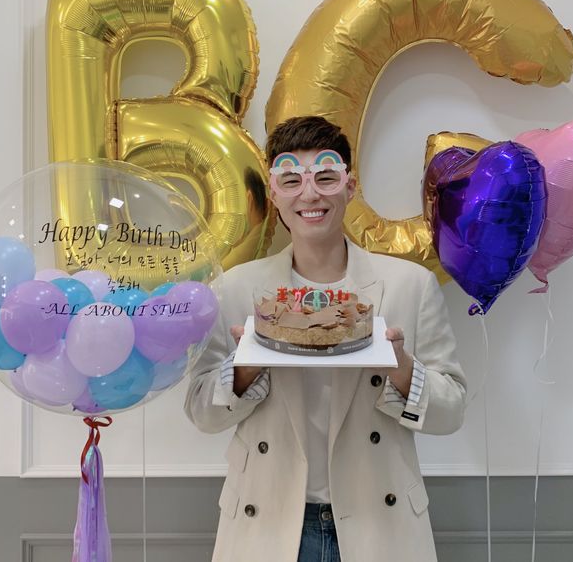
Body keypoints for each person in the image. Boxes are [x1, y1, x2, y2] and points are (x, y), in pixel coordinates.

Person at [185, 116, 467, 562]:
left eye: (326, 178)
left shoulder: (408, 286)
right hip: (268, 523)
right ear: (274, 191)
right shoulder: (238, 290)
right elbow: (201, 412)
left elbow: (451, 411)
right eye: (292, 180)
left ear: (350, 187)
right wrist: (244, 367)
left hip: (381, 521)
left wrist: (401, 369)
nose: (310, 194)